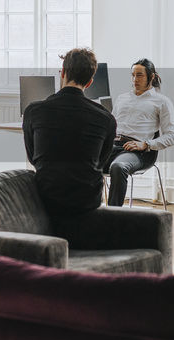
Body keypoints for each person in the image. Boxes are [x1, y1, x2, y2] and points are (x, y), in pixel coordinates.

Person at [23, 48, 117, 218]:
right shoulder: (106, 119)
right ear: (89, 82)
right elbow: (100, 162)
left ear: (63, 72)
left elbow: (33, 157)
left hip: (46, 199)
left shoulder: (33, 111)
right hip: (86, 202)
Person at [105, 59, 174, 206]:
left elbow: (171, 136)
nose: (134, 79)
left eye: (139, 75)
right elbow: (110, 127)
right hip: (114, 145)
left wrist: (145, 144)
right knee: (83, 160)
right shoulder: (122, 98)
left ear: (151, 77)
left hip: (139, 151)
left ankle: (111, 219)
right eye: (132, 75)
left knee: (118, 167)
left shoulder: (162, 101)